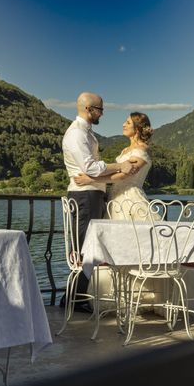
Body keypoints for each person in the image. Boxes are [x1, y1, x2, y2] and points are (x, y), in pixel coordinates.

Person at [61, 92, 137, 311]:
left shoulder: (86, 133)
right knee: (84, 248)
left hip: (91, 193)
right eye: (100, 109)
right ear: (89, 110)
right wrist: (119, 166)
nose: (102, 113)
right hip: (85, 195)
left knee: (87, 247)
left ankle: (73, 298)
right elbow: (90, 168)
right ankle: (76, 300)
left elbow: (91, 170)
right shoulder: (76, 135)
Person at [73, 111, 155, 218]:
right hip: (115, 198)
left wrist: (91, 179)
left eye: (128, 123)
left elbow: (124, 175)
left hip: (130, 198)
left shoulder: (141, 149)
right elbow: (118, 171)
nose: (123, 124)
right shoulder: (125, 150)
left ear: (138, 128)